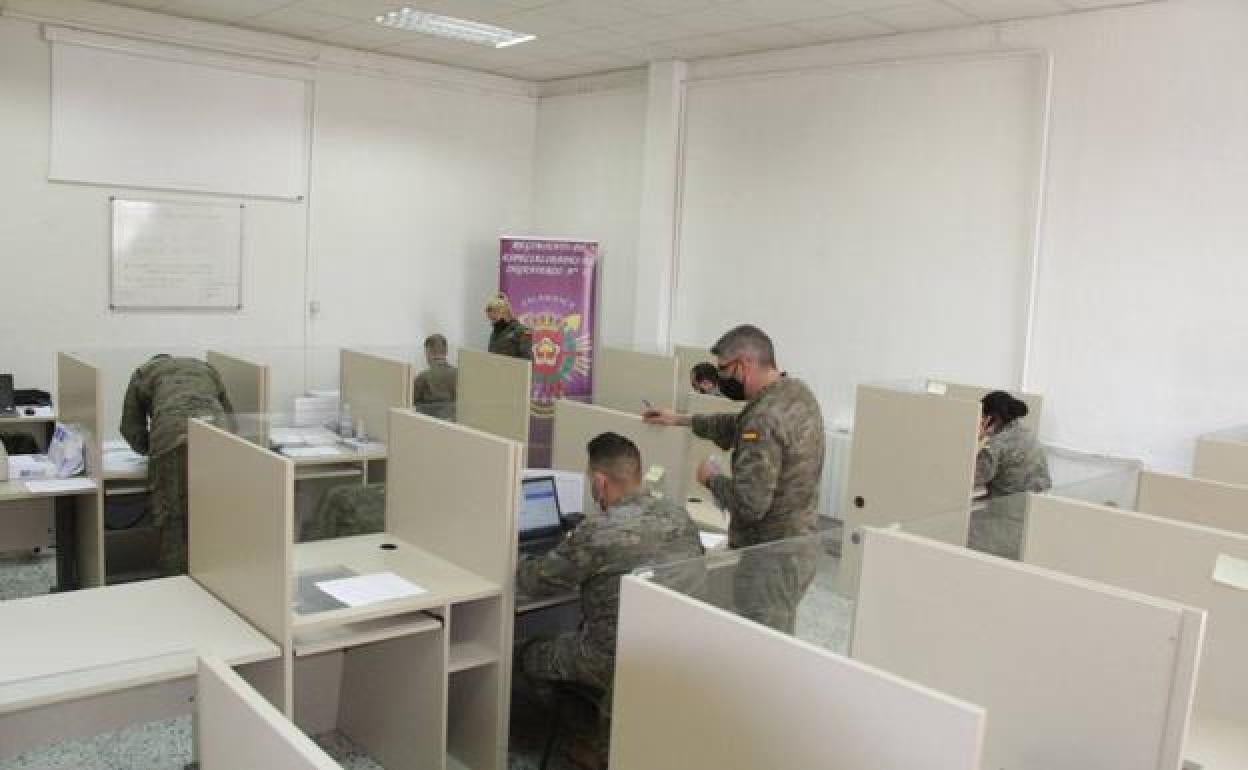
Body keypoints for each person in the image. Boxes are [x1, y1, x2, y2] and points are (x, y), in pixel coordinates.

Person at [515, 432, 704, 760]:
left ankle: (583, 736)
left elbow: (535, 582)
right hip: (678, 651)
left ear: (600, 482)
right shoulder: (679, 516)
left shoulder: (598, 530)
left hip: (608, 658)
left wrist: (514, 554)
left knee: (525, 653)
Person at [643, 324, 825, 633]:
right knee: (776, 637)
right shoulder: (796, 393)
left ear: (743, 366)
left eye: (724, 371)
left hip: (769, 558)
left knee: (760, 648)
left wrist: (711, 478)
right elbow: (738, 424)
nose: (721, 380)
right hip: (800, 546)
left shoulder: (763, 418)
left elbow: (750, 504)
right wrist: (683, 419)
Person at [120, 354, 234, 576]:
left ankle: (177, 585)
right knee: (217, 512)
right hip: (217, 435)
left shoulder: (143, 372)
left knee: (174, 519)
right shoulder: (206, 368)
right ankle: (220, 577)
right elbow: (232, 418)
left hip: (172, 438)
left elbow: (130, 428)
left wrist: (150, 451)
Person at [969, 390, 1052, 559]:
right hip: (1033, 518)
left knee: (956, 528)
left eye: (981, 417)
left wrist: (976, 440)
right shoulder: (1028, 435)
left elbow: (969, 478)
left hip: (1005, 521)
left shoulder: (996, 445)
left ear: (992, 418)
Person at [412, 333, 457, 420]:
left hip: (429, 423)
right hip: (453, 423)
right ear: (446, 351)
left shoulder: (423, 377)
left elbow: (411, 402)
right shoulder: (459, 374)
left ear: (428, 352)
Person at [485, 293, 532, 359]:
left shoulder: (522, 332)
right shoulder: (495, 333)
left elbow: (527, 361)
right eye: (490, 319)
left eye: (494, 319)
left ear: (505, 313)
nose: (492, 323)